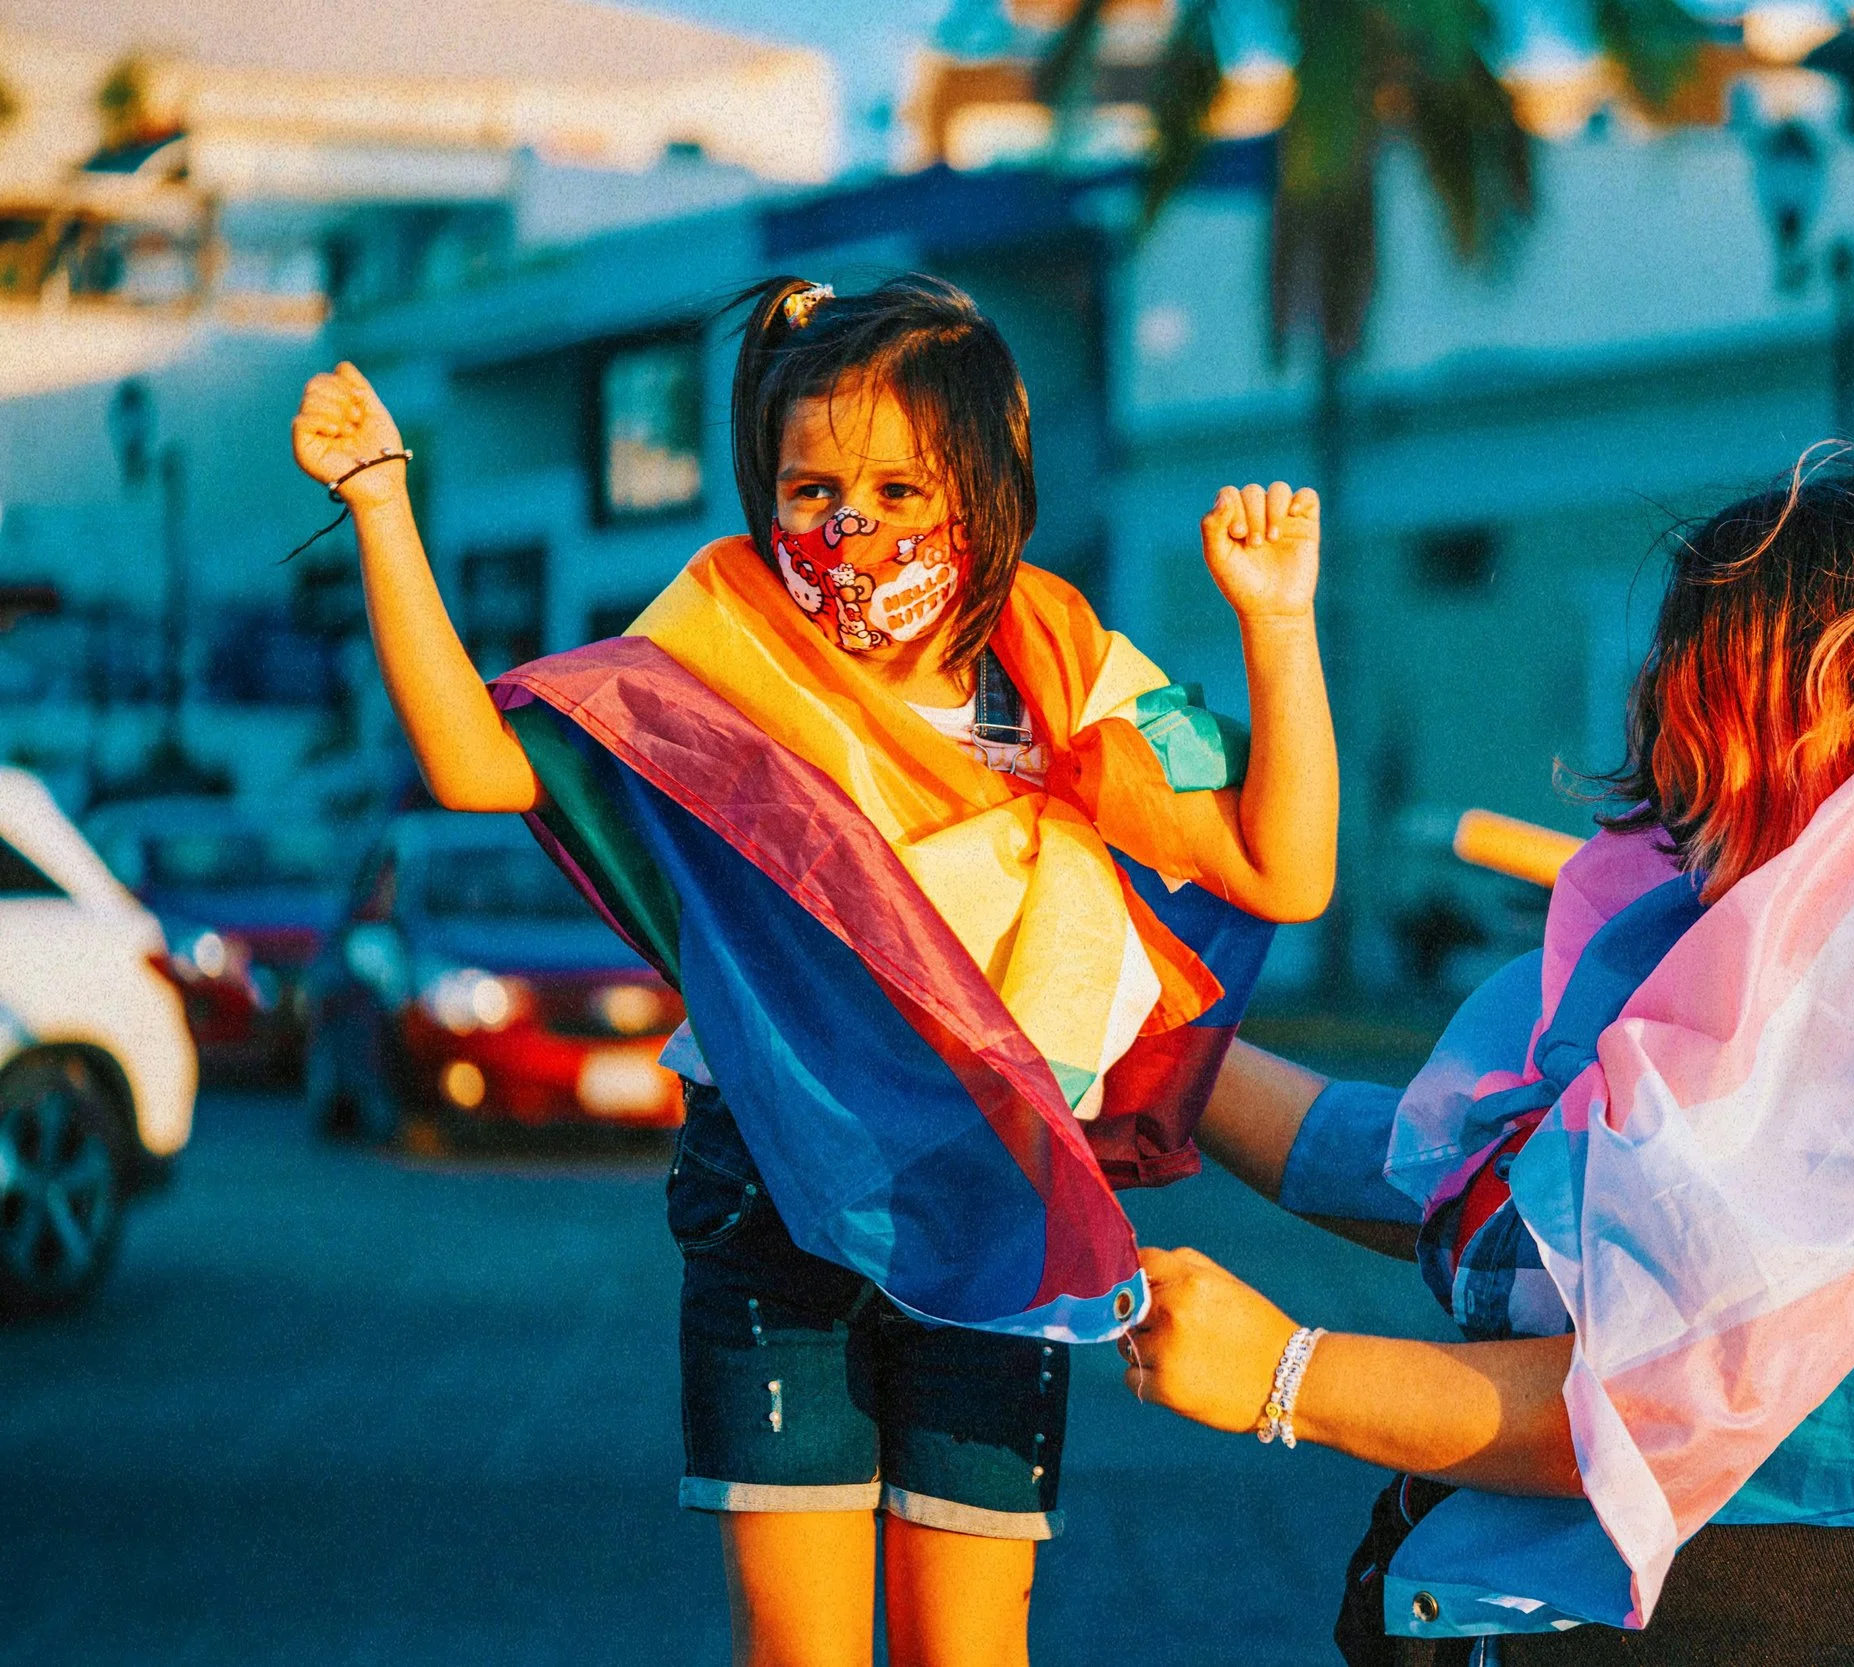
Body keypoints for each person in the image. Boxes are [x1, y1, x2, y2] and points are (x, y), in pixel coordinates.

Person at [288, 273, 1339, 1667]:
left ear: (987, 484)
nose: (851, 528)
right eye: (811, 491)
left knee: (968, 1648)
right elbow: (478, 762)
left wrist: (1278, 623)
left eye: (901, 490)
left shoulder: (1064, 668)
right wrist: (381, 507)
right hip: (770, 1181)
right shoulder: (722, 652)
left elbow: (1281, 870)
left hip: (997, 1183)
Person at [1121, 459, 1854, 1665]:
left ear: (1825, 716)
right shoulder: (1738, 932)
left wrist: (1284, 1373)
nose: (1658, 720)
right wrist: (1145, 1045)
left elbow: (1641, 1400)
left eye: (1701, 686)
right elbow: (1452, 1175)